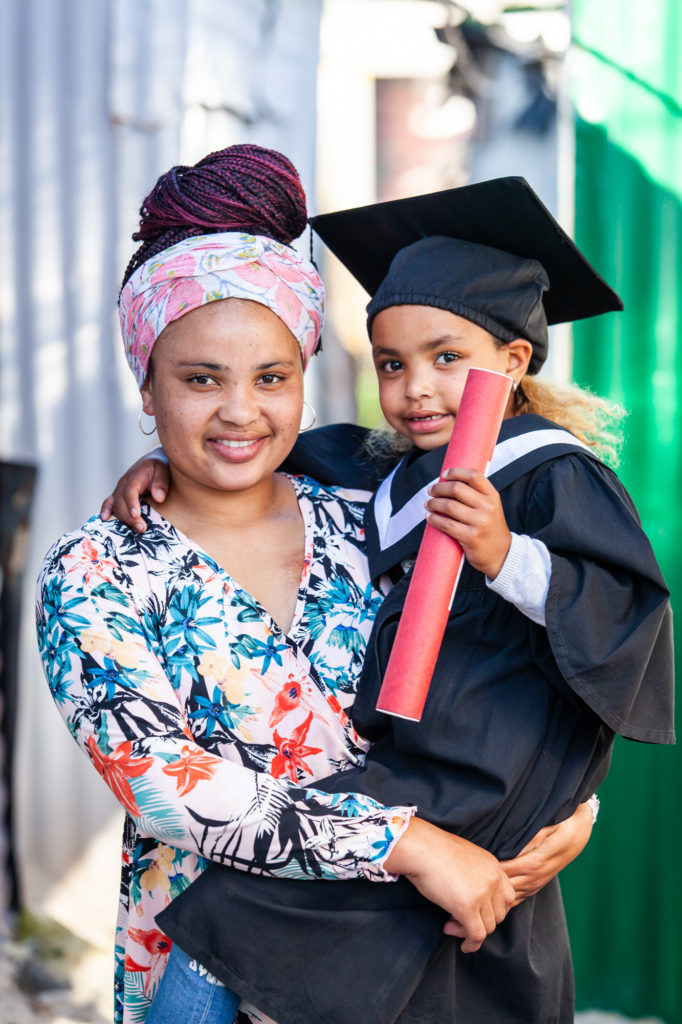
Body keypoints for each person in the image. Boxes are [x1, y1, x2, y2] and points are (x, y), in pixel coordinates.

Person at [101, 178, 673, 1024]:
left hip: (477, 771)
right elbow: (265, 448)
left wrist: (504, 552)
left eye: (448, 358)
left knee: (247, 930)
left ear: (514, 361)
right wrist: (158, 470)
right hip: (406, 775)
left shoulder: (553, 472)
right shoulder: (386, 469)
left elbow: (623, 613)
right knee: (250, 933)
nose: (416, 390)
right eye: (393, 364)